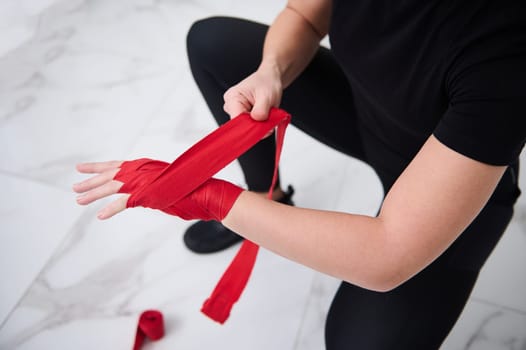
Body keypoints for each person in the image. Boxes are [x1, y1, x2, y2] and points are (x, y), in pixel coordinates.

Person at [74, 0, 526, 348]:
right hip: (369, 112)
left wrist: (212, 199)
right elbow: (305, 17)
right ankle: (268, 197)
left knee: (359, 344)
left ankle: (258, 209)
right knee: (213, 43)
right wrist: (272, 71)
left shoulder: (508, 51)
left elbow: (389, 252)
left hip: (453, 195)